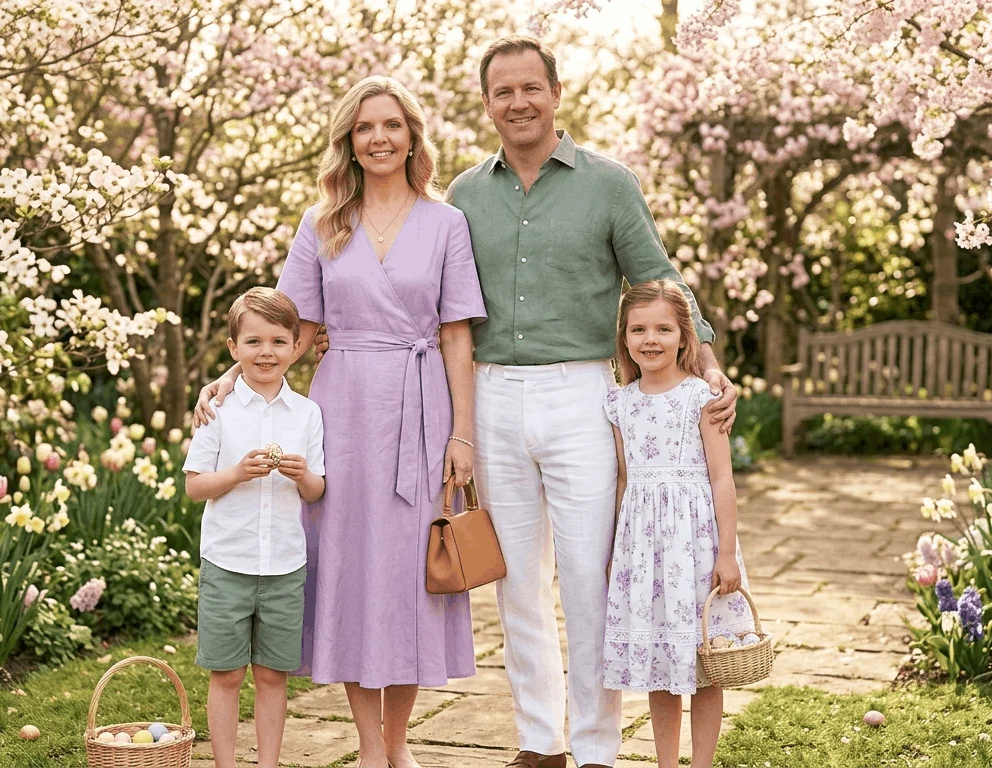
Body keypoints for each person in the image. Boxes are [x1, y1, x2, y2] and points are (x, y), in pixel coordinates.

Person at [443, 35, 741, 768]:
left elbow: (658, 277)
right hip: (492, 396)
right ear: (487, 103)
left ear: (556, 93)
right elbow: (436, 305)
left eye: (530, 88)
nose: (518, 102)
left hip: (582, 396)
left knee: (588, 577)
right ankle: (540, 742)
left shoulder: (609, 184)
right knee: (515, 581)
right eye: (502, 91)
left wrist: (706, 360)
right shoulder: (462, 194)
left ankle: (599, 749)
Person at [193, 76, 484, 768]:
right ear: (348, 142)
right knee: (353, 570)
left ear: (412, 135)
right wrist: (229, 376)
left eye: (391, 125)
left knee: (414, 570)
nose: (378, 138)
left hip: (423, 405)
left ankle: (398, 742)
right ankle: (366, 744)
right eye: (364, 128)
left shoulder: (447, 223)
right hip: (343, 408)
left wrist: (462, 433)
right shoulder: (322, 223)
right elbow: (292, 328)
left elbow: (456, 337)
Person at [602, 280, 754, 768]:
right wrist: (616, 556)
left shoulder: (700, 399)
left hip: (697, 545)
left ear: (684, 337)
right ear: (623, 338)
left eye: (664, 328)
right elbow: (625, 482)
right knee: (660, 666)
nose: (651, 339)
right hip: (644, 552)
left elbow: (722, 477)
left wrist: (726, 553)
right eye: (638, 329)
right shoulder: (620, 402)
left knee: (705, 665)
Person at [183, 287, 327, 768]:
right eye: (254, 342)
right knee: (225, 675)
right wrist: (237, 474)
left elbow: (317, 490)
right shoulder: (216, 410)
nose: (266, 352)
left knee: (272, 675)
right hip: (228, 563)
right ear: (233, 348)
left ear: (295, 347)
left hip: (285, 566)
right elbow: (196, 487)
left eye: (278, 341)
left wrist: (302, 475)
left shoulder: (307, 414)